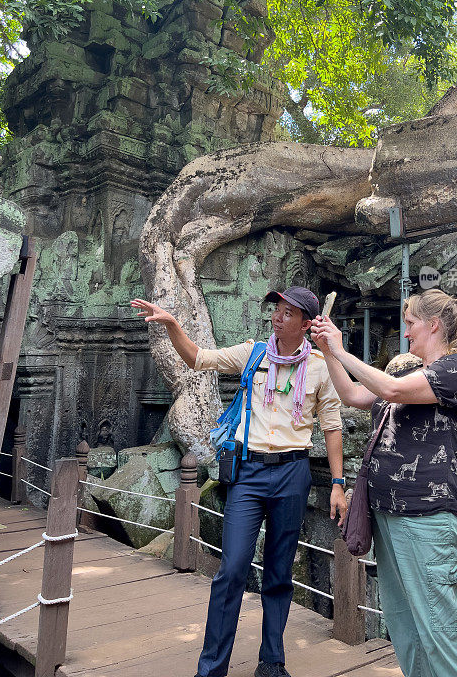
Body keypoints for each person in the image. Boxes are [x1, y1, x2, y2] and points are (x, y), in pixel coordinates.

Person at [131, 286, 347, 677]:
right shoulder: (254, 353)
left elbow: (332, 427)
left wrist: (337, 482)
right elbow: (198, 359)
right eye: (276, 310)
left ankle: (272, 661)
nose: (277, 316)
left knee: (280, 572)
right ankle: (211, 667)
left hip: (292, 473)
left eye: (286, 312)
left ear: (305, 322)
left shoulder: (320, 366)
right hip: (248, 473)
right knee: (231, 569)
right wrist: (173, 325)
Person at [311, 288, 457, 677]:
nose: (406, 333)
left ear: (434, 324)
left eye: (410, 323)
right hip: (391, 515)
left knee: (443, 636)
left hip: (432, 517)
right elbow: (354, 394)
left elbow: (388, 389)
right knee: (406, 630)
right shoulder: (411, 374)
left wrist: (341, 350)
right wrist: (327, 350)